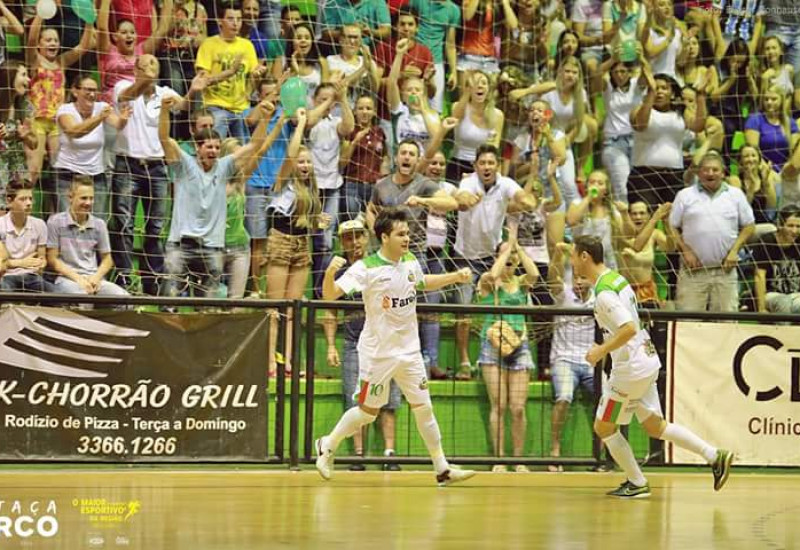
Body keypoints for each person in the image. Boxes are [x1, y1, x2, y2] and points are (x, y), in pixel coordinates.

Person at [317, 208, 476, 486]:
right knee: (367, 414)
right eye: (401, 234)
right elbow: (329, 295)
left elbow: (422, 282)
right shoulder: (366, 268)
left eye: (408, 233)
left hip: (410, 352)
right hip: (378, 355)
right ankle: (327, 443)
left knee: (424, 408)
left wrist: (455, 277)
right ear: (384, 237)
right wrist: (330, 272)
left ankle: (442, 469)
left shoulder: (411, 260)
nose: (407, 238)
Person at [570, 234, 733, 498]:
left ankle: (637, 482)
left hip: (629, 372)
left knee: (604, 427)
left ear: (585, 256)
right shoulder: (616, 278)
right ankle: (714, 455)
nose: (572, 262)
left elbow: (628, 328)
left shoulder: (604, 293)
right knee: (655, 426)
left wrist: (600, 350)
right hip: (645, 361)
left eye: (573, 256)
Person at [157, 96, 277, 298]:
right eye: (209, 147)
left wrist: (265, 118)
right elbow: (164, 139)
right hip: (180, 244)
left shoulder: (224, 166)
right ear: (198, 148)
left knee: (207, 306)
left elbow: (254, 145)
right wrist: (164, 111)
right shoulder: (184, 164)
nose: (213, 151)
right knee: (169, 301)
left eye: (217, 147)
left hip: (212, 246)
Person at [324, 218, 403, 471]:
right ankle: (359, 456)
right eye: (348, 237)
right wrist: (330, 345)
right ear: (341, 242)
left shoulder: (382, 265)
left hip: (385, 342)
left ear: (367, 237)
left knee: (388, 400)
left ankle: (389, 454)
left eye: (358, 235)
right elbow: (330, 310)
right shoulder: (339, 271)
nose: (354, 241)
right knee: (356, 399)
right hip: (353, 343)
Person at [475, 238, 539, 472]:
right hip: (492, 347)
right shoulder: (488, 280)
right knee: (499, 406)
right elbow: (493, 275)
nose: (510, 257)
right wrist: (506, 250)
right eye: (505, 253)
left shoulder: (521, 283)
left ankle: (519, 460)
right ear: (497, 257)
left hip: (519, 346)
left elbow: (534, 274)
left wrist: (517, 247)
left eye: (513, 255)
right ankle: (499, 459)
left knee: (518, 408)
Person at [669, 151, 755, 312]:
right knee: (688, 320)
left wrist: (734, 251)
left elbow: (749, 225)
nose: (710, 173)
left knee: (727, 321)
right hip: (692, 272)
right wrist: (685, 250)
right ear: (698, 173)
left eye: (715, 170)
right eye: (706, 169)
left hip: (725, 271)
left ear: (723, 173)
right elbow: (672, 226)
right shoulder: (685, 195)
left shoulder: (736, 195)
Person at [545, 241, 595, 471]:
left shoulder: (599, 298)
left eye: (583, 278)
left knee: (606, 400)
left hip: (591, 361)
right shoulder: (563, 294)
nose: (578, 283)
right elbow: (552, 278)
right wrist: (557, 255)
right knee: (564, 397)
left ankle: (602, 452)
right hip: (564, 360)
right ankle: (554, 449)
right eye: (575, 278)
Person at [46, 177, 128, 298]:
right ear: (70, 197)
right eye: (83, 198)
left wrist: (96, 277)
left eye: (91, 198)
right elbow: (52, 260)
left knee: (123, 298)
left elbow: (107, 259)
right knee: (83, 299)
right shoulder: (55, 222)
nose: (88, 203)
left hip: (94, 278)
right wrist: (78, 279)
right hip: (67, 279)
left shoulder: (99, 224)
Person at [0, 181, 49, 292]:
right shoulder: (1, 225)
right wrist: (21, 263)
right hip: (7, 276)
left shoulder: (40, 224)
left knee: (56, 293)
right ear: (9, 201)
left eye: (30, 199)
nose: (29, 203)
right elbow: (1, 263)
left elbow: (42, 257)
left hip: (32, 276)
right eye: (23, 199)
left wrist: (41, 263)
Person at [751, 207, 800, 313]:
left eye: (798, 226)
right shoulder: (767, 241)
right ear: (780, 225)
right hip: (770, 294)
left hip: (795, 294)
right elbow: (759, 276)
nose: (794, 231)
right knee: (783, 302)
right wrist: (761, 308)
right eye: (790, 226)